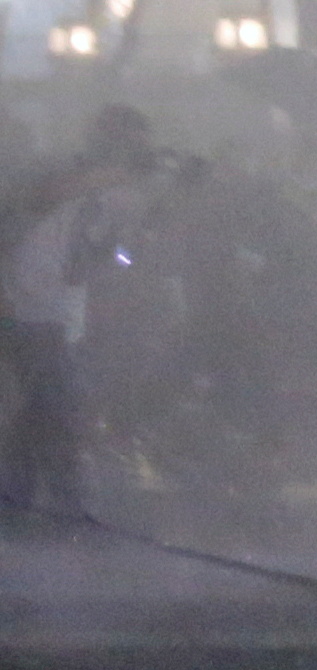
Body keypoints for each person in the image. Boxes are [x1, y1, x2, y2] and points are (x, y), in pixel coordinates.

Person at [0, 104, 188, 514]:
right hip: (26, 299)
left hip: (62, 306)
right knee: (60, 397)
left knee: (45, 401)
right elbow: (39, 197)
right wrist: (125, 174)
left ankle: (24, 495)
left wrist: (131, 244)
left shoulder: (116, 191)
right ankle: (61, 499)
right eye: (128, 141)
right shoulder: (63, 169)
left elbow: (112, 250)